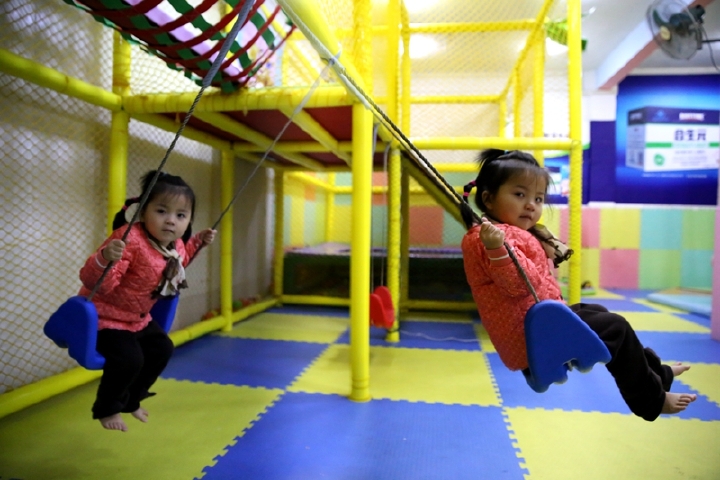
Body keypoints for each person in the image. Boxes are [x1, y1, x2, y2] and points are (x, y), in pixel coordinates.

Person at [459, 149, 696, 422]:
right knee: (616, 327)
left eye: (538, 198)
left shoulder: (510, 233)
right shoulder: (487, 239)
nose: (531, 205)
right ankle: (651, 401)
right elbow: (517, 285)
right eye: (520, 195)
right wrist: (497, 249)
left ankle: (657, 373)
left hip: (540, 322)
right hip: (530, 337)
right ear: (488, 199)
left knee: (597, 312)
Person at [79, 170, 216, 432]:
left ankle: (132, 400)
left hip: (137, 319)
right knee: (130, 360)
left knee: (162, 349)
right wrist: (105, 259)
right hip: (104, 316)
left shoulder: (174, 244)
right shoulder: (128, 240)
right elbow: (98, 284)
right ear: (143, 212)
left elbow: (181, 260)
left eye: (181, 215)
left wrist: (198, 241)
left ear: (188, 220)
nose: (171, 221)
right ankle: (107, 408)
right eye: (162, 211)